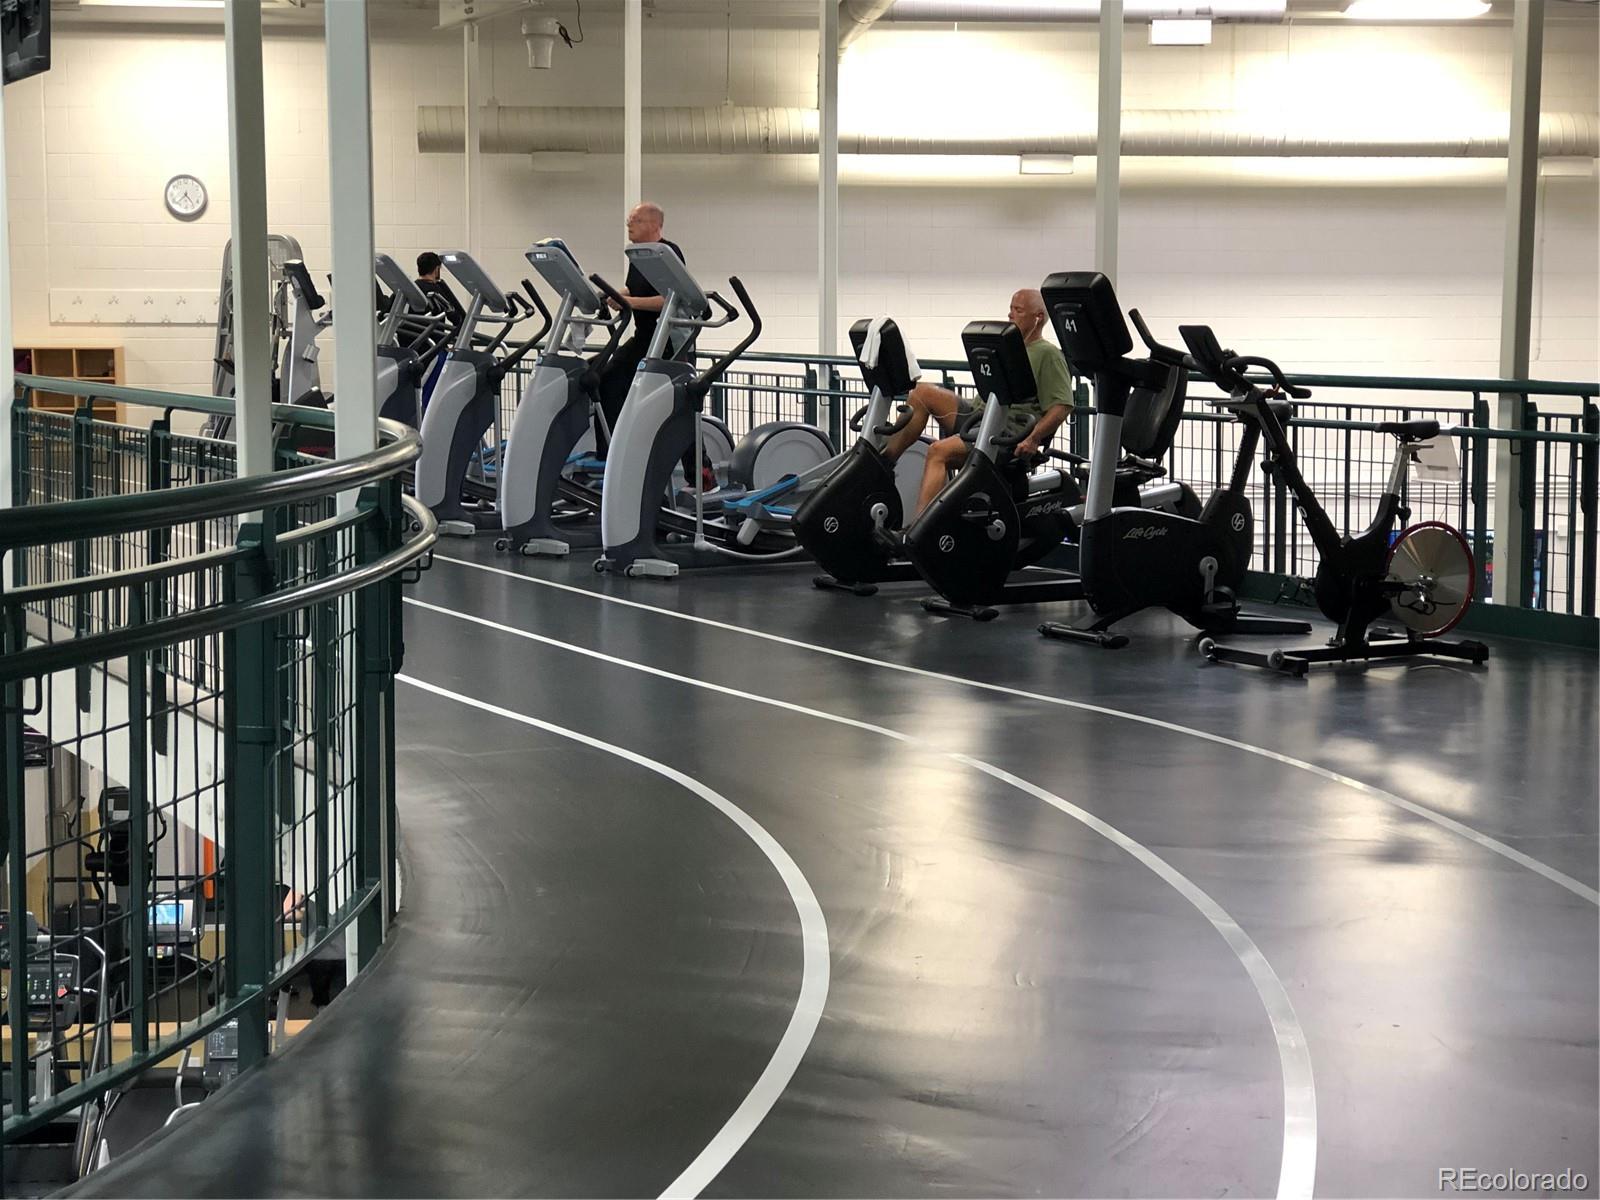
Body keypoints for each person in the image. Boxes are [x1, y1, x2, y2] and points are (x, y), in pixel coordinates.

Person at [882, 288, 1074, 516]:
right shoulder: (1009, 347)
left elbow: (1061, 407)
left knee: (938, 451)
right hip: (978, 416)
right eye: (1010, 309)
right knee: (922, 393)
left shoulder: (1048, 354)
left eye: (1018, 310)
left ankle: (918, 530)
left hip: (1005, 431)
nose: (1010, 315)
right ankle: (884, 464)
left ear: (1038, 317)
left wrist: (1033, 438)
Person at [596, 202, 713, 490]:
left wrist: (629, 302)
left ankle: (701, 472)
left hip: (671, 344)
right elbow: (633, 290)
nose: (629, 223)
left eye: (635, 220)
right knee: (603, 379)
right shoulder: (639, 256)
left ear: (654, 225)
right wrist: (611, 294)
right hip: (644, 339)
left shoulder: (667, 253)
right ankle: (611, 455)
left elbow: (673, 298)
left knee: (679, 407)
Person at [414, 251, 466, 325]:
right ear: (436, 269)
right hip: (434, 335)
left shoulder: (410, 288)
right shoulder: (437, 290)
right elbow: (459, 319)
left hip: (408, 335)